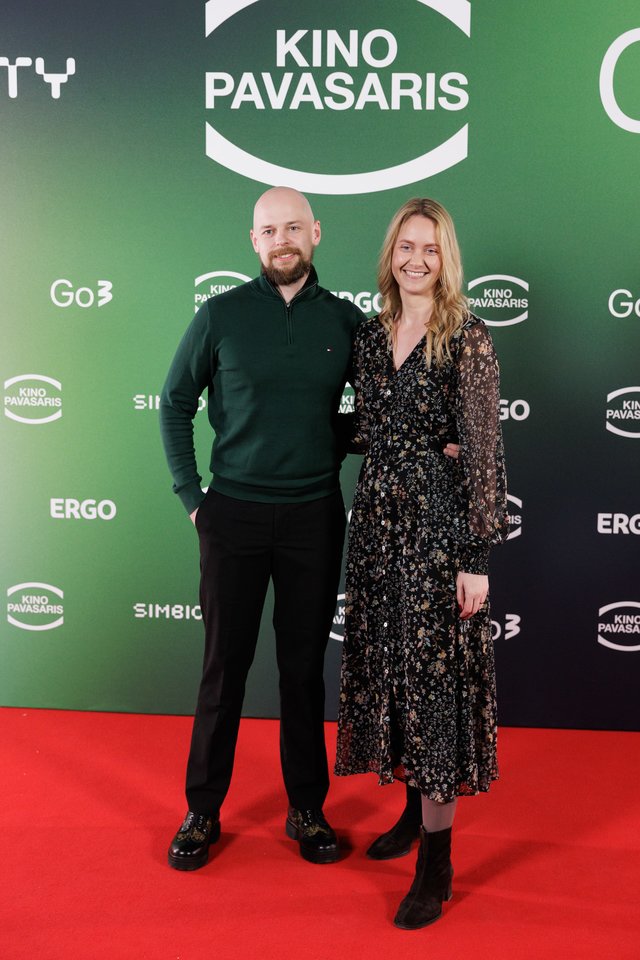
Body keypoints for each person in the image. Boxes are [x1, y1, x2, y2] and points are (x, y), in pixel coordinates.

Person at [159, 187, 365, 870]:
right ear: (254, 240)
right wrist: (193, 497)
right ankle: (201, 810)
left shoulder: (346, 320)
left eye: (294, 228)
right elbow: (174, 403)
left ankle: (306, 807)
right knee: (224, 667)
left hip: (313, 516)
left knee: (303, 671)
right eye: (270, 230)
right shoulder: (220, 315)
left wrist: (429, 437)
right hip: (233, 516)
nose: (283, 240)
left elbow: (377, 412)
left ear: (316, 233)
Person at [334, 198, 508, 929]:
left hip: (439, 535)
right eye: (406, 246)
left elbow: (484, 449)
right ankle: (411, 814)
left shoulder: (467, 336)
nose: (416, 259)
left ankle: (437, 865)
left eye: (430, 249)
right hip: (378, 529)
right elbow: (366, 428)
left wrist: (475, 557)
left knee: (434, 688)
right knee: (395, 674)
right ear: (390, 254)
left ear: (446, 259)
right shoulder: (370, 337)